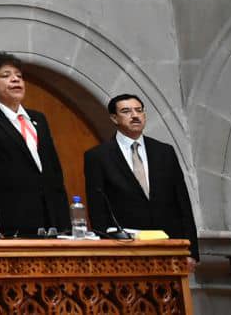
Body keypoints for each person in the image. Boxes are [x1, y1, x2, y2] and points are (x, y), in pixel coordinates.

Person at [0, 52, 69, 237]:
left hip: (51, 224)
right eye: (5, 75)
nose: (15, 80)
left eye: (18, 76)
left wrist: (65, 224)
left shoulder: (38, 119)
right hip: (9, 224)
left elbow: (54, 174)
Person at [84, 93, 198, 259]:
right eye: (126, 111)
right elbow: (97, 209)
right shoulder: (98, 156)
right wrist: (105, 250)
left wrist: (192, 252)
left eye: (139, 110)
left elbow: (183, 203)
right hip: (125, 248)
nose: (135, 115)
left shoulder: (164, 152)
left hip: (169, 245)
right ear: (114, 118)